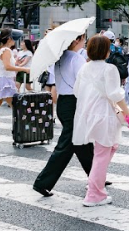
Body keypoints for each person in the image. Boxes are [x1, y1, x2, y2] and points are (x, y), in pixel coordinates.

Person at [73, 35, 129, 207]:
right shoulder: (109, 69)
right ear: (105, 51)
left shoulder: (84, 68)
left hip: (88, 114)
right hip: (104, 114)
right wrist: (128, 114)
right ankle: (94, 193)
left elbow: (77, 91)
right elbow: (115, 94)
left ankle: (95, 182)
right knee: (103, 153)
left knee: (106, 149)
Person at [32, 34, 93, 197]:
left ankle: (96, 176)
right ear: (76, 40)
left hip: (63, 102)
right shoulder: (77, 59)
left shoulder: (60, 58)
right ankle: (43, 182)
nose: (84, 41)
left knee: (84, 143)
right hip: (74, 103)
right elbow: (84, 83)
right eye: (83, 38)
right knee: (66, 146)